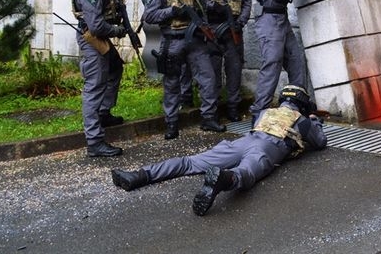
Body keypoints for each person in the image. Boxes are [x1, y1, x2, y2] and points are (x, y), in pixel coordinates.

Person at [110, 84, 327, 217]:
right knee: (246, 173)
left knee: (190, 162)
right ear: (304, 104)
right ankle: (224, 179)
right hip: (265, 149)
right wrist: (315, 123)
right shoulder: (303, 121)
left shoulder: (266, 112)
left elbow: (257, 126)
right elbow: (320, 142)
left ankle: (138, 176)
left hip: (241, 143)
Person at [141, 0, 226, 139]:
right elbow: (149, 15)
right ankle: (171, 123)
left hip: (195, 39)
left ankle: (209, 118)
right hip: (173, 41)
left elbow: (202, 7)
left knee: (208, 78)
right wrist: (172, 11)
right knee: (172, 84)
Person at [249, 0, 325, 121]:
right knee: (272, 64)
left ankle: (298, 104)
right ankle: (259, 111)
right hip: (268, 19)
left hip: (280, 19)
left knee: (296, 62)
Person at [70, 0, 129, 157]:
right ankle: (94, 141)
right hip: (93, 39)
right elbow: (96, 26)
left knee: (115, 67)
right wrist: (119, 31)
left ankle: (104, 113)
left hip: (98, 38)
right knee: (94, 88)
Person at [195, 0, 252, 121]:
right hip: (212, 32)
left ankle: (233, 108)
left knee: (234, 72)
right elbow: (198, 2)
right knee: (212, 74)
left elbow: (247, 3)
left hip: (233, 31)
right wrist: (214, 7)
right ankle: (213, 110)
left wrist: (240, 23)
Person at [156, 0, 201, 109]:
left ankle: (187, 98)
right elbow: (152, 14)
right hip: (173, 34)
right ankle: (175, 107)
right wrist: (173, 11)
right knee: (174, 74)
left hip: (194, 32)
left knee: (191, 70)